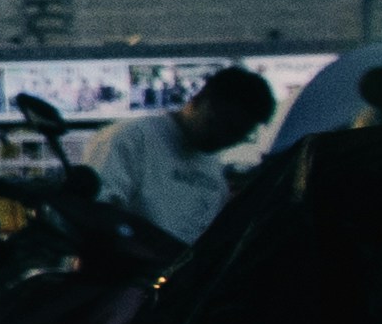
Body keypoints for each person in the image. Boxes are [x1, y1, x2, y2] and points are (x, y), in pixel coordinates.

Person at [81, 68, 275, 252]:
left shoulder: (213, 171)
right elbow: (95, 213)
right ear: (200, 100)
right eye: (226, 126)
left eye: (239, 135)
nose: (226, 139)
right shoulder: (130, 138)